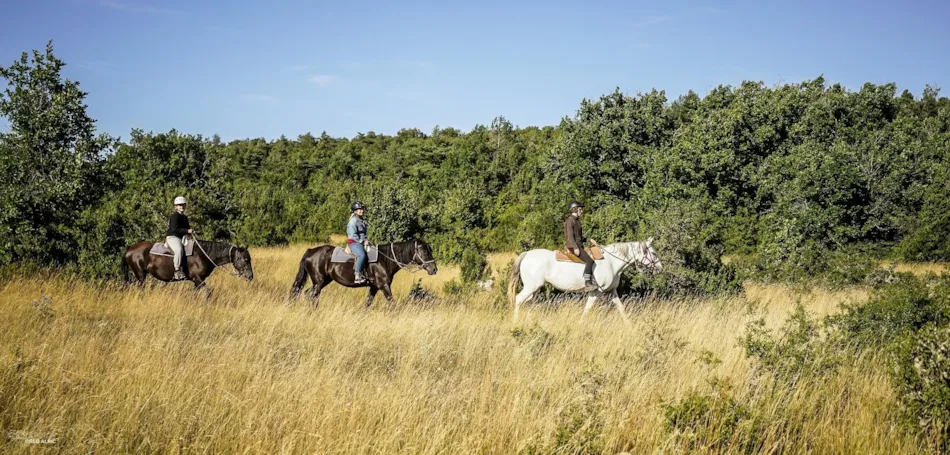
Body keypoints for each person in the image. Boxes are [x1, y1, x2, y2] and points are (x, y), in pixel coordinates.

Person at [564, 201, 599, 291]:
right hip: (574, 247)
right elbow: (570, 237)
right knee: (590, 261)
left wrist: (589, 239)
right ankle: (587, 283)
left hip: (578, 245)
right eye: (580, 209)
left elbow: (578, 237)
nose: (581, 211)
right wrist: (575, 248)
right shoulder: (569, 221)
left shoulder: (577, 221)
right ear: (574, 209)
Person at [166, 196, 194, 281]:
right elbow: (174, 229)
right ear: (176, 206)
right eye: (179, 205)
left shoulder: (185, 217)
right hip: (173, 237)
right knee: (179, 250)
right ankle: (177, 271)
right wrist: (187, 231)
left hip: (182, 237)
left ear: (185, 206)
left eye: (183, 205)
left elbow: (187, 229)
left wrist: (190, 233)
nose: (181, 206)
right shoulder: (175, 216)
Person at [347, 201, 370, 284]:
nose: (362, 211)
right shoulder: (353, 221)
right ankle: (357, 276)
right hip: (354, 242)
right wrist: (362, 241)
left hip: (361, 242)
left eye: (362, 209)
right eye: (359, 209)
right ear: (355, 211)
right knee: (362, 255)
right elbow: (353, 235)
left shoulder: (361, 221)